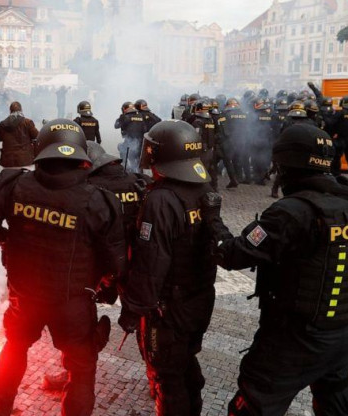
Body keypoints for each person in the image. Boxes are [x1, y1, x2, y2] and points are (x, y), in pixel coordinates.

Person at [202, 124, 348, 416]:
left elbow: (232, 255)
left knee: (254, 405)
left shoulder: (290, 212)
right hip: (343, 333)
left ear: (284, 164)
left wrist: (213, 220)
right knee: (336, 403)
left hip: (294, 339)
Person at [0, 119, 126, 416]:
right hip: (73, 302)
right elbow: (116, 263)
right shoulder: (99, 201)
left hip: (24, 294)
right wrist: (103, 285)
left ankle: (2, 409)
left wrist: (8, 240)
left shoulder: (13, 182)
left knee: (14, 348)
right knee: (81, 369)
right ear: (82, 157)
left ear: (39, 150)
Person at [118, 120, 217, 415]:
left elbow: (151, 262)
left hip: (168, 309)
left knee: (167, 378)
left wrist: (133, 309)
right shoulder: (202, 188)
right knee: (186, 364)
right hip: (199, 299)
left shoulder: (161, 199)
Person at [0, 101, 39, 169]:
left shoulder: (2, 124)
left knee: (10, 179)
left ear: (10, 111)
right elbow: (36, 136)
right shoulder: (27, 122)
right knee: (26, 179)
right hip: (25, 159)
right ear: (21, 110)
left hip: (8, 160)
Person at [330, 95, 348, 182]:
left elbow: (333, 123)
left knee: (337, 157)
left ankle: (337, 176)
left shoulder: (341, 112)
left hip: (342, 138)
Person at [116, 101, 146, 173]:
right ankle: (139, 172)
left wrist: (120, 118)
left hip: (130, 142)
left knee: (120, 147)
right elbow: (144, 129)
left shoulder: (125, 117)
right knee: (136, 158)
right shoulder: (141, 116)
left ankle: (125, 167)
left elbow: (116, 126)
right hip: (140, 142)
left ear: (124, 109)